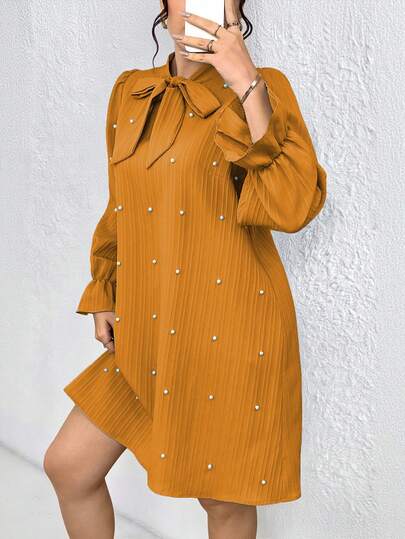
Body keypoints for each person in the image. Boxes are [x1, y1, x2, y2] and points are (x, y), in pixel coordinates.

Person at [43, 1, 327, 537]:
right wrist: (104, 288)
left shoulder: (265, 89)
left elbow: (291, 208)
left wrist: (245, 84)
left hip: (231, 329)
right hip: (149, 329)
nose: (197, 10)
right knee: (69, 466)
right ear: (164, 6)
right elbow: (122, 202)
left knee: (222, 500)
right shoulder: (131, 91)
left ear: (236, 10)